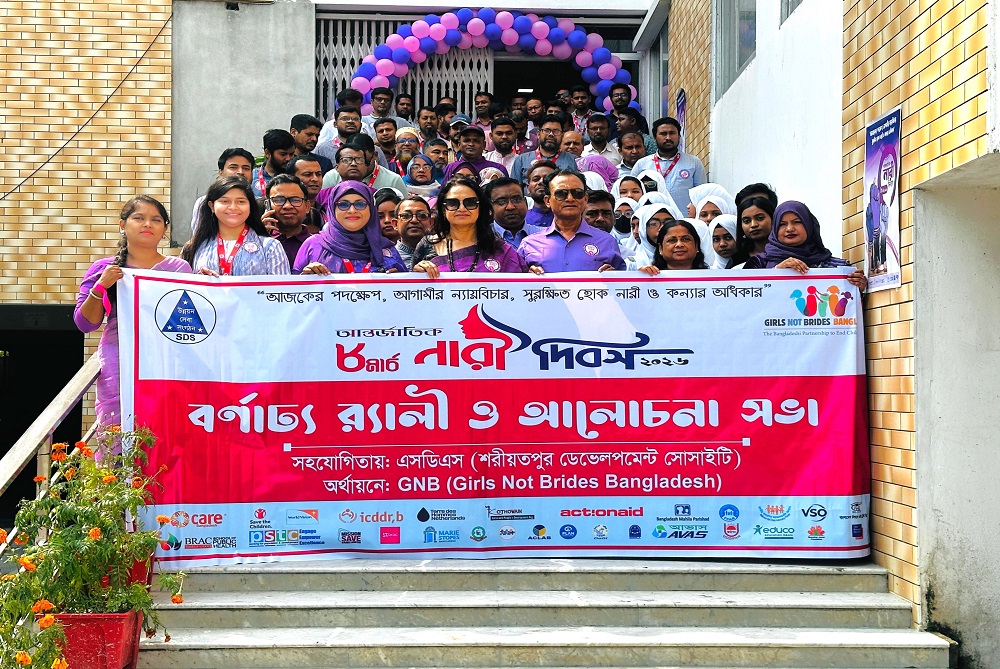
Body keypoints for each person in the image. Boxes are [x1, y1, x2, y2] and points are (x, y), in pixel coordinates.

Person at [75, 196, 192, 427]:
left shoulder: (179, 270)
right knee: (118, 429)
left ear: (164, 229)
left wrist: (209, 287)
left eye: (156, 220)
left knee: (167, 427)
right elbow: (85, 324)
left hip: (167, 361)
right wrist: (101, 286)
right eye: (139, 218)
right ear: (123, 225)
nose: (148, 224)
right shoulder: (104, 268)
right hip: (120, 360)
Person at [517, 169, 625, 273]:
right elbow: (515, 282)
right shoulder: (529, 244)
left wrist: (614, 276)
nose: (570, 198)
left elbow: (624, 282)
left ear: (585, 199)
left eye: (577, 193)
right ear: (547, 201)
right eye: (561, 194)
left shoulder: (607, 242)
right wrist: (527, 278)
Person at [412, 177, 524, 276]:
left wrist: (532, 274)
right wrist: (417, 273)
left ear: (480, 208)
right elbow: (413, 290)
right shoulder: (427, 245)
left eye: (470, 202)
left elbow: (520, 287)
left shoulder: (499, 249)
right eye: (453, 203)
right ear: (443, 209)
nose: (462, 208)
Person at [742, 201, 868, 289]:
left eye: (797, 222)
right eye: (782, 224)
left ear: (809, 226)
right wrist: (777, 272)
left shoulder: (837, 267)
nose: (789, 229)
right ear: (774, 229)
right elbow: (745, 298)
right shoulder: (758, 263)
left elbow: (850, 310)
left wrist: (858, 288)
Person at [182, 176, 289, 275]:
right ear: (212, 206)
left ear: (250, 206)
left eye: (241, 202)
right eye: (225, 201)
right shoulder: (194, 247)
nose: (233, 207)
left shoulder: (270, 247)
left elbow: (282, 288)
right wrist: (200, 282)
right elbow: (181, 286)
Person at [295, 181, 406, 274]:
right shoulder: (313, 245)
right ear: (333, 209)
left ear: (371, 209)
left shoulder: (386, 250)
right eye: (343, 205)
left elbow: (406, 290)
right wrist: (305, 277)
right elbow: (292, 289)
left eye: (360, 204)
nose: (352, 210)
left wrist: (398, 280)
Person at [631, 117, 706, 212]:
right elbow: (632, 193)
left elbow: (701, 196)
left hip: (683, 218)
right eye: (663, 134)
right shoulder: (641, 164)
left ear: (679, 136)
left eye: (672, 133)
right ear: (654, 137)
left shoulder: (694, 163)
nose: (668, 138)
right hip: (651, 217)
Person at [190, 147, 255, 236]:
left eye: (246, 168)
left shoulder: (258, 202)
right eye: (233, 167)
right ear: (220, 172)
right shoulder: (203, 202)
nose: (240, 172)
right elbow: (199, 236)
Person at [321, 138, 407, 194]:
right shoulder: (328, 186)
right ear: (337, 166)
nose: (353, 164)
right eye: (347, 160)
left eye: (359, 159)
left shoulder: (391, 181)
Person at [262, 174, 313, 267]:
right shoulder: (257, 243)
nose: (287, 206)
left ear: (307, 206)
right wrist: (259, 236)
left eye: (295, 200)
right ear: (267, 205)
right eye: (279, 200)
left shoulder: (317, 245)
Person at [509, 115, 578, 184]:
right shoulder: (521, 160)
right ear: (538, 134)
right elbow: (514, 187)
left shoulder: (573, 160)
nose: (551, 134)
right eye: (546, 130)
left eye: (556, 131)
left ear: (562, 135)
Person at [625, 201, 683, 270]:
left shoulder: (686, 259)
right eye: (653, 224)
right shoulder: (632, 264)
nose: (661, 228)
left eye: (668, 223)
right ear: (644, 228)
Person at [486, 176, 543, 248]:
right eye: (502, 201)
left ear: (526, 203)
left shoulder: (544, 236)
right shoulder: (481, 239)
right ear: (489, 208)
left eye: (516, 200)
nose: (510, 207)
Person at [441, 124, 507, 183]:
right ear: (459, 144)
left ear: (484, 145)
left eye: (476, 141)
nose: (471, 144)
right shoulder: (450, 168)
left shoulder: (498, 169)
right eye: (466, 140)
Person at [639, 219, 709, 274]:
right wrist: (641, 275)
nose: (679, 244)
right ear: (660, 248)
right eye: (672, 240)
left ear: (696, 246)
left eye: (685, 239)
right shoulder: (649, 276)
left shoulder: (711, 276)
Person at [286, 153, 326, 233]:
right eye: (308, 175)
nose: (315, 179)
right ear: (292, 178)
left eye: (318, 174)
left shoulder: (327, 210)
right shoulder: (285, 211)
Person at [251, 129, 295, 198]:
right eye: (283, 154)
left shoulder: (295, 176)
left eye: (291, 154)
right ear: (267, 153)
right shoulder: (252, 176)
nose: (288, 158)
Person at [394, 194, 433, 269]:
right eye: (406, 216)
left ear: (431, 222)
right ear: (395, 224)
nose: (414, 220)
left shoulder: (443, 255)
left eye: (422, 215)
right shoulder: (386, 259)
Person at [734, 195, 776, 266]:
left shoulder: (787, 253)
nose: (753, 225)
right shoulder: (737, 259)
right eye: (747, 221)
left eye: (760, 218)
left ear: (773, 218)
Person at [524, 160, 557, 228]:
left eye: (547, 179)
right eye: (536, 179)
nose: (541, 182)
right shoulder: (521, 220)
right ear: (528, 188)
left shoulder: (568, 218)